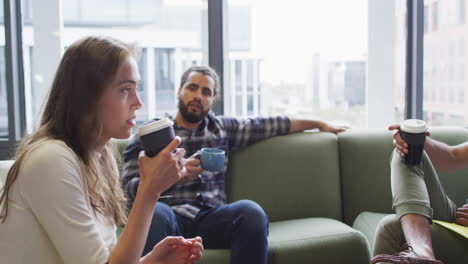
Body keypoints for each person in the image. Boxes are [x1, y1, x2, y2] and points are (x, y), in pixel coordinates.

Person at [0, 36, 203, 264]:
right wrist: (150, 190)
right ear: (87, 97)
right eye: (125, 89)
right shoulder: (51, 160)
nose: (138, 102)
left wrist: (152, 262)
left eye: (137, 88)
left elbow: (107, 260)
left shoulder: (101, 159)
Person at [122, 65, 348, 263]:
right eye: (192, 88)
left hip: (211, 218)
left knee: (251, 212)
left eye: (206, 92)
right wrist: (171, 177)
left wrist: (318, 123)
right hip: (169, 216)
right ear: (179, 91)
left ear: (213, 100)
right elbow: (127, 189)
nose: (198, 96)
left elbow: (274, 124)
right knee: (156, 213)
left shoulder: (221, 129)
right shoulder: (153, 133)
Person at [371, 124, 468, 264]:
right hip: (461, 219)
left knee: (390, 227)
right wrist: (416, 139)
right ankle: (421, 251)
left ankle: (421, 254)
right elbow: (453, 156)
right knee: (408, 153)